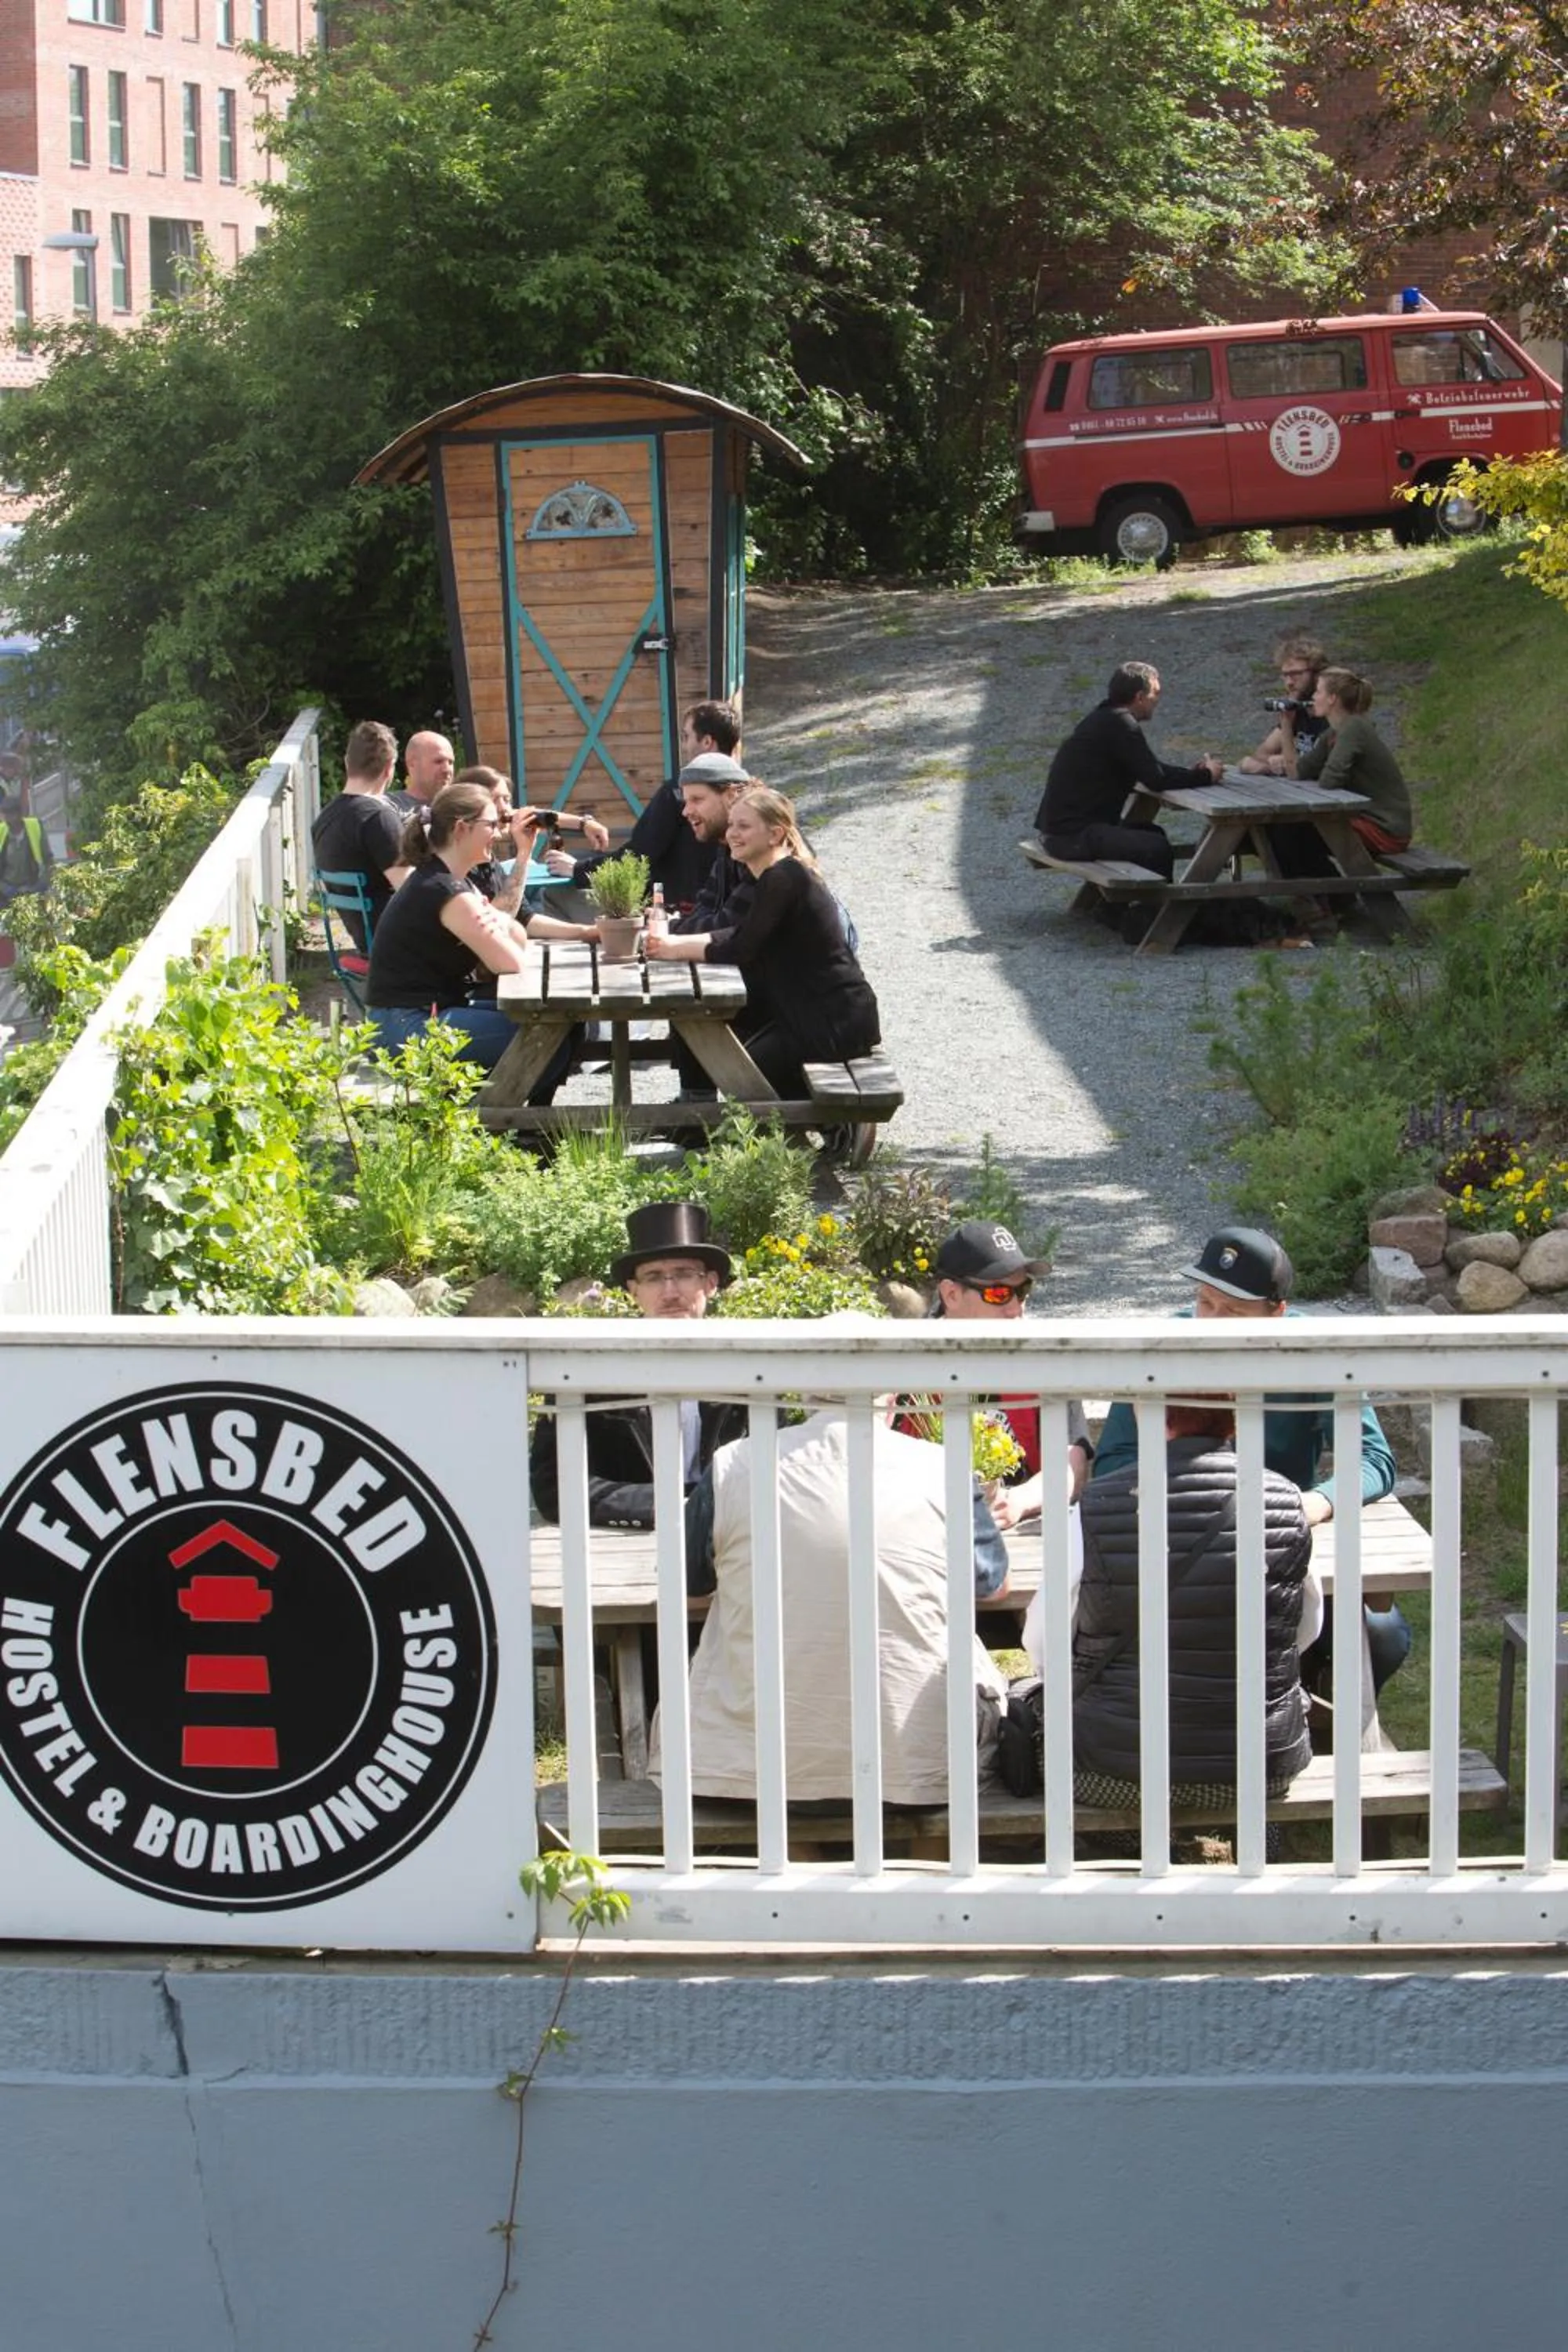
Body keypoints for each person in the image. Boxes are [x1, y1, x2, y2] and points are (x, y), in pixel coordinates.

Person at [1092, 1226, 1410, 1694]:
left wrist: (1314, 1504)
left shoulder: (1315, 1351)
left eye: (1234, 1312)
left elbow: (1375, 1458)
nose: (1213, 1322)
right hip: (1174, 1548)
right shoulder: (1162, 1345)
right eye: (1205, 1303)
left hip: (1279, 1548)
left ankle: (1310, 1721)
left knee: (1383, 1637)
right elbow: (1113, 1459)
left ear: (1276, 1313)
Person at [670, 1394, 1010, 1804]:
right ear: (892, 1399)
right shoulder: (942, 1466)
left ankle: (804, 1860)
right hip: (920, 1766)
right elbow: (992, 1583)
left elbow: (687, 1582)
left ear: (807, 1395)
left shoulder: (734, 1464)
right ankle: (918, 1863)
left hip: (750, 1768)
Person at [1073, 1403, 1314, 1809]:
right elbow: (1304, 1628)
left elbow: (1044, 1640)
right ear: (1235, 1413)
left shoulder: (1094, 1504)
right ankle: (1262, 1841)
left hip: (1116, 1771)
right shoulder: (1285, 1500)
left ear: (1155, 1416)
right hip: (1259, 1768)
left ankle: (1130, 1847)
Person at [645, 784, 880, 1097]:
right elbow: (738, 934)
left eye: (744, 826)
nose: (732, 834)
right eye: (731, 824)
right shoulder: (775, 875)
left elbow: (741, 947)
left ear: (775, 835)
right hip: (815, 1015)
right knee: (704, 1030)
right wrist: (671, 946)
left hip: (831, 1023)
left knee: (738, 1081)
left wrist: (673, 948)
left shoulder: (782, 878)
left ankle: (826, 1127)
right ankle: (695, 1114)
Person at [528, 1201, 748, 1526]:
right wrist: (658, 1505)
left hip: (727, 1544)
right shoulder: (589, 1374)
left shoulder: (750, 1371)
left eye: (685, 1274)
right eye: (654, 1278)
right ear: (634, 1291)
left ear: (710, 1284)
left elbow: (776, 1470)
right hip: (617, 1553)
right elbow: (554, 1489)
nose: (670, 1292)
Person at [365, 779, 598, 1072]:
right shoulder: (446, 891)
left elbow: (515, 932)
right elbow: (509, 960)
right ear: (462, 829)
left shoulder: (454, 881)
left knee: (567, 1026)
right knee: (545, 1039)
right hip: (405, 1026)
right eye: (491, 824)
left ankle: (497, 1105)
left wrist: (499, 927)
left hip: (419, 1016)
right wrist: (498, 929)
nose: (499, 833)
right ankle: (489, 1111)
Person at [913, 1221, 1093, 1526]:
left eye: (1022, 1291)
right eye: (999, 1294)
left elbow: (1072, 1459)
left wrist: (1019, 1502)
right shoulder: (906, 1365)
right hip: (923, 1531)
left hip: (1021, 1535)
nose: (1015, 1308)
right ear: (951, 1295)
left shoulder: (1044, 1361)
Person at [1034, 662, 1225, 882]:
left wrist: (1191, 773)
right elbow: (1156, 778)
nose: (1157, 700)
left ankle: (1121, 906)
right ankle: (1155, 910)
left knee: (1152, 833)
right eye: (1155, 693)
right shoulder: (1121, 724)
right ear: (1139, 697)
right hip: (1072, 837)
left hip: (1064, 831)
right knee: (1156, 847)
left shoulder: (1105, 718)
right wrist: (1207, 776)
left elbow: (1149, 768)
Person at [557, 699, 742, 906]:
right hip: (697, 915)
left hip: (673, 911)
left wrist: (579, 870)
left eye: (687, 736)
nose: (687, 811)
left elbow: (638, 857)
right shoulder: (749, 797)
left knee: (554, 897)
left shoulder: (676, 794)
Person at [1276, 668, 1414, 869]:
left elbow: (1330, 781)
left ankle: (1336, 897)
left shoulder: (1354, 728)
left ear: (1332, 699)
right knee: (1284, 831)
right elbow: (1297, 772)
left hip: (1384, 828)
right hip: (1362, 820)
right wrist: (1287, 725)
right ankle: (1324, 895)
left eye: (1318, 692)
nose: (1313, 697)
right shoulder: (1334, 733)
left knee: (1296, 833)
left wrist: (1320, 772)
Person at [309, 720, 412, 951]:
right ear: (389, 770)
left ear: (347, 763)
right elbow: (413, 890)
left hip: (366, 941)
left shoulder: (324, 820)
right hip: (398, 945)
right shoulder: (377, 818)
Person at [1236, 637, 1330, 776]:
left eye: (1296, 674)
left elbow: (1328, 767)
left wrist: (1287, 763)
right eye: (1285, 675)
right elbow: (1262, 753)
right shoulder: (1297, 707)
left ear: (1317, 673)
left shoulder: (1333, 712)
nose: (1289, 682)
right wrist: (1273, 762)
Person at [0, 786, 51, 909]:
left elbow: (49, 860)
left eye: (11, 815)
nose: (8, 820)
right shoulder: (2, 831)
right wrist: (5, 888)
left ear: (19, 814)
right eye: (5, 815)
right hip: (7, 892)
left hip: (32, 888)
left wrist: (40, 886)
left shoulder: (34, 827)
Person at [387, 728, 456, 818]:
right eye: (438, 761)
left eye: (450, 762)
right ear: (412, 764)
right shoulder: (389, 808)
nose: (447, 770)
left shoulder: (460, 809)